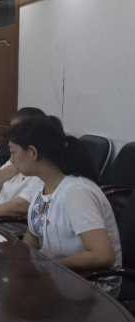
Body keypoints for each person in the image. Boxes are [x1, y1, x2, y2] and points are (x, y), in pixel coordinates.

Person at [8, 116, 120, 276]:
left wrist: (48, 266)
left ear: (32, 152)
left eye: (13, 152)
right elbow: (33, 235)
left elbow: (103, 255)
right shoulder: (41, 183)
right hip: (57, 274)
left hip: (90, 281)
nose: (11, 160)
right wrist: (21, 264)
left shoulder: (75, 192)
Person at [0, 107, 46, 220]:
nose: (11, 134)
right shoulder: (16, 156)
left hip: (7, 225)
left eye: (16, 130)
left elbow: (21, 206)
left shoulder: (40, 168)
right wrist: (16, 166)